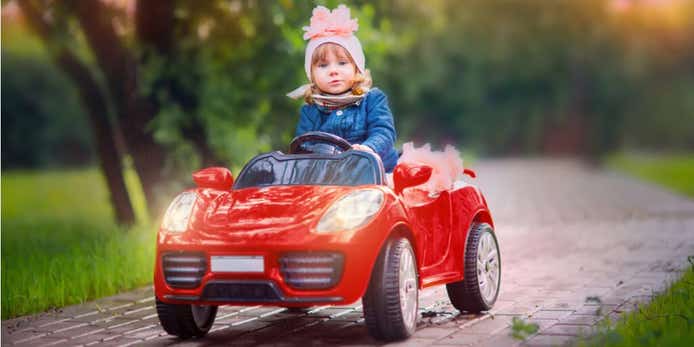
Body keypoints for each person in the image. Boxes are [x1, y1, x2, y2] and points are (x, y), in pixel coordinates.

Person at [288, 4, 399, 173]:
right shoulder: (310, 111)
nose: (333, 71)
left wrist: (368, 148)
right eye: (323, 65)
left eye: (342, 63)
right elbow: (303, 147)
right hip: (330, 178)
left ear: (357, 68)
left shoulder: (372, 100)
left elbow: (383, 132)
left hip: (376, 174)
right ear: (312, 74)